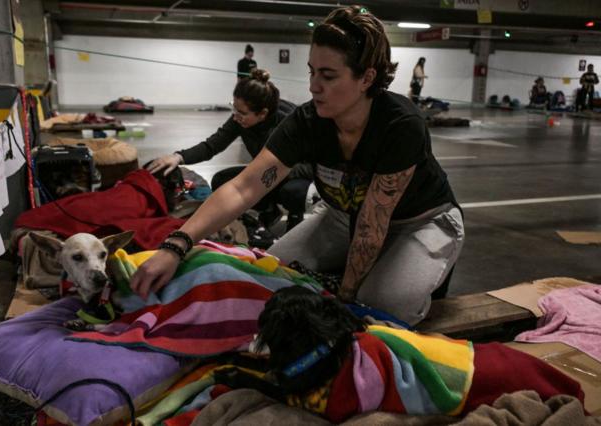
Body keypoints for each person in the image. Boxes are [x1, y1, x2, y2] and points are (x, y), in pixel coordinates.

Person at [132, 5, 464, 326]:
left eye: (328, 76)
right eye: (312, 72)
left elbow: (371, 226)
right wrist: (175, 245)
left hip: (418, 222)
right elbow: (242, 187)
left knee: (377, 305)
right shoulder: (308, 120)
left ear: (367, 78)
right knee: (271, 275)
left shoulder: (400, 124)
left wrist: (344, 301)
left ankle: (425, 271)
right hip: (341, 217)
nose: (313, 86)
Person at [147, 69, 311, 230]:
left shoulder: (290, 123)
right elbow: (212, 145)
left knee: (291, 191)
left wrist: (276, 173)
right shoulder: (240, 119)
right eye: (234, 107)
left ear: (262, 114)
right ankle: (269, 210)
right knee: (221, 180)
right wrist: (178, 157)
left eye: (241, 112)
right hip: (264, 172)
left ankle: (295, 215)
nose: (235, 116)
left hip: (295, 175)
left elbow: (313, 166)